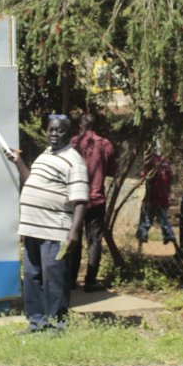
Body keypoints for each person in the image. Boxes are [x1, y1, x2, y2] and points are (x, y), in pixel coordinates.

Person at [7, 114, 89, 333]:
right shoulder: (45, 155)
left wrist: (74, 232)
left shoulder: (74, 161)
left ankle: (57, 324)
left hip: (55, 230)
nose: (54, 134)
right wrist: (18, 162)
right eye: (51, 130)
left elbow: (80, 200)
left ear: (69, 134)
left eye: (60, 130)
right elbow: (31, 180)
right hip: (32, 228)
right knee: (33, 276)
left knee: (54, 278)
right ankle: (36, 322)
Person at [66, 112, 116, 292]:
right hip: (96, 199)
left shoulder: (72, 144)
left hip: (75, 198)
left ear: (80, 125)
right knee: (94, 240)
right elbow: (111, 170)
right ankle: (90, 280)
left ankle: (70, 279)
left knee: (74, 237)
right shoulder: (105, 145)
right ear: (96, 126)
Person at [135, 151, 177, 247]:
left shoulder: (151, 161)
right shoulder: (167, 164)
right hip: (162, 199)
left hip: (151, 199)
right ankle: (177, 248)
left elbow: (144, 176)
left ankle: (139, 248)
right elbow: (170, 182)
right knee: (165, 224)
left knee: (145, 223)